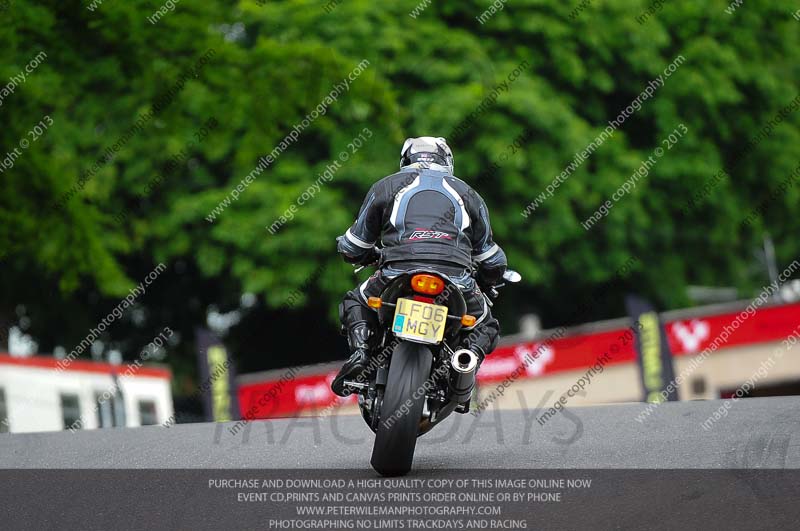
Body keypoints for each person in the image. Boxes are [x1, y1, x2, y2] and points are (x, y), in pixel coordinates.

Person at [331, 136, 507, 396]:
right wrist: (489, 280)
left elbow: (352, 247)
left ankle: (362, 351)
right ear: (448, 162)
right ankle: (464, 364)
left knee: (355, 301)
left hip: (397, 273)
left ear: (405, 160)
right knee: (486, 324)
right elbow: (492, 260)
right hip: (456, 280)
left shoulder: (385, 186)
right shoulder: (470, 194)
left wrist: (364, 254)